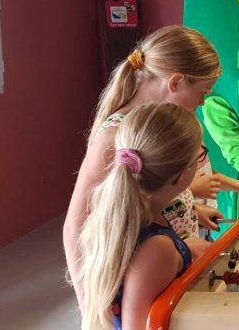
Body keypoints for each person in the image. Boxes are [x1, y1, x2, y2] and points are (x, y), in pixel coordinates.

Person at [63, 25, 239, 308]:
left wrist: (189, 209)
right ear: (175, 83)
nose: (202, 102)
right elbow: (76, 226)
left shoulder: (158, 125)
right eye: (202, 93)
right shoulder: (116, 136)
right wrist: (92, 310)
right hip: (142, 282)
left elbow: (143, 195)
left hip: (173, 266)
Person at [75, 102, 204, 330]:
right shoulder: (157, 248)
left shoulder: (122, 215)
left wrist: (185, 250)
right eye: (199, 157)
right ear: (184, 176)